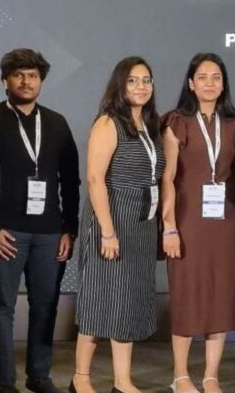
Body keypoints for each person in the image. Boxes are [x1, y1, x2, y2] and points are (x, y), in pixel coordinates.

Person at [0, 48, 80, 393]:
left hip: (50, 233)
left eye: (33, 76)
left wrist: (69, 229)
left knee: (45, 306)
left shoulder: (56, 123)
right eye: (19, 75)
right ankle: (6, 382)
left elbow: (70, 180)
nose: (26, 82)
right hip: (5, 232)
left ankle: (39, 376)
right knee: (1, 308)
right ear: (5, 81)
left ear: (41, 81)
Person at [160, 53, 235, 393]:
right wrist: (169, 226)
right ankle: (180, 376)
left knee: (221, 298)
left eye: (216, 77)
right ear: (191, 83)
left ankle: (211, 375)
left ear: (223, 83)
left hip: (224, 224)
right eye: (202, 77)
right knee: (187, 296)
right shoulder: (176, 122)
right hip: (187, 222)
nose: (210, 83)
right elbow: (167, 179)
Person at [71, 56, 165, 393]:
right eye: (132, 80)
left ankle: (122, 381)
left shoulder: (149, 126)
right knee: (99, 298)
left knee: (127, 302)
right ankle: (80, 378)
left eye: (146, 80)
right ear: (120, 85)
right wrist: (108, 232)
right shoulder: (109, 123)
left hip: (141, 223)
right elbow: (95, 179)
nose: (141, 87)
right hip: (110, 219)